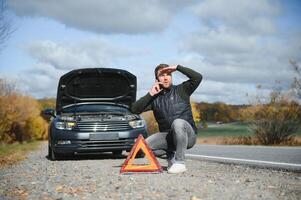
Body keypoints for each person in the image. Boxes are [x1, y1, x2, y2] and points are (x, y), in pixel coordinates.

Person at [131, 64, 202, 174]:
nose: (165, 77)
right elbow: (134, 109)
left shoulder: (182, 90)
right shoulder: (154, 99)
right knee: (141, 147)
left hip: (188, 136)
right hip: (168, 138)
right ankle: (171, 157)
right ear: (157, 79)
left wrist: (177, 67)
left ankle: (180, 163)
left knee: (177, 123)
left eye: (168, 74)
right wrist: (151, 94)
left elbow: (198, 77)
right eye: (162, 75)